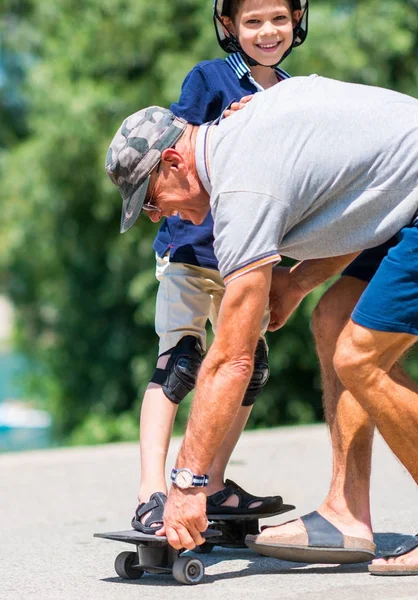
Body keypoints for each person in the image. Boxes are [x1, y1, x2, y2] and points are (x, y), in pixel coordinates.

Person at [105, 74, 418, 575]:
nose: (160, 217)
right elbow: (362, 197)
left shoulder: (241, 187)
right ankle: (347, 514)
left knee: (360, 358)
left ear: (175, 162)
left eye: (153, 201)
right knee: (332, 320)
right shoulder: (241, 128)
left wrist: (187, 483)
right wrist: (295, 284)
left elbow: (231, 358)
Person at [130, 0, 309, 535]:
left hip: (247, 258)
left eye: (278, 18)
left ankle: (212, 483)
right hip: (190, 246)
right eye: (252, 21)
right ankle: (151, 491)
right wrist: (223, 123)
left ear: (297, 19)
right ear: (229, 26)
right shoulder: (209, 79)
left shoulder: (295, 96)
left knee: (249, 367)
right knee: (181, 362)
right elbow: (172, 145)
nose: (267, 31)